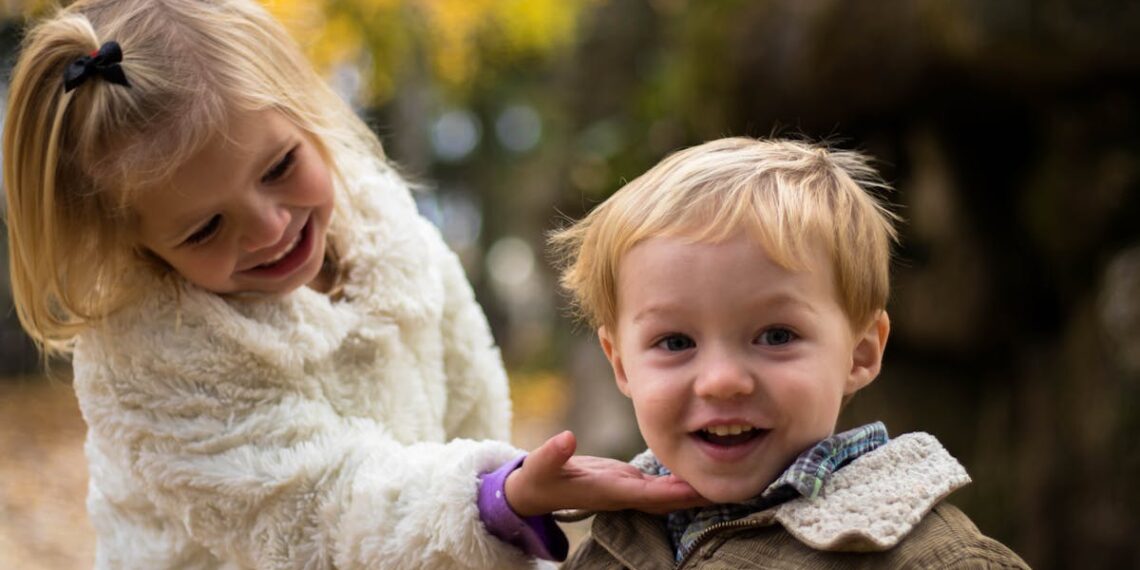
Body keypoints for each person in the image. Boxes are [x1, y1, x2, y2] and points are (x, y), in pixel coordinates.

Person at [1, 1, 703, 568]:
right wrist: (493, 501)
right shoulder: (151, 359)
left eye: (279, 167)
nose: (269, 227)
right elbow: (313, 516)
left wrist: (504, 514)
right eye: (206, 228)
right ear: (137, 246)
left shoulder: (382, 229)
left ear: (307, 113)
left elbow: (468, 395)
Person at [549, 138, 1030, 568]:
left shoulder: (929, 559)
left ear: (860, 353)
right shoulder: (612, 541)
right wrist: (508, 511)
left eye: (776, 336)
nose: (722, 380)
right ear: (621, 364)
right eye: (676, 343)